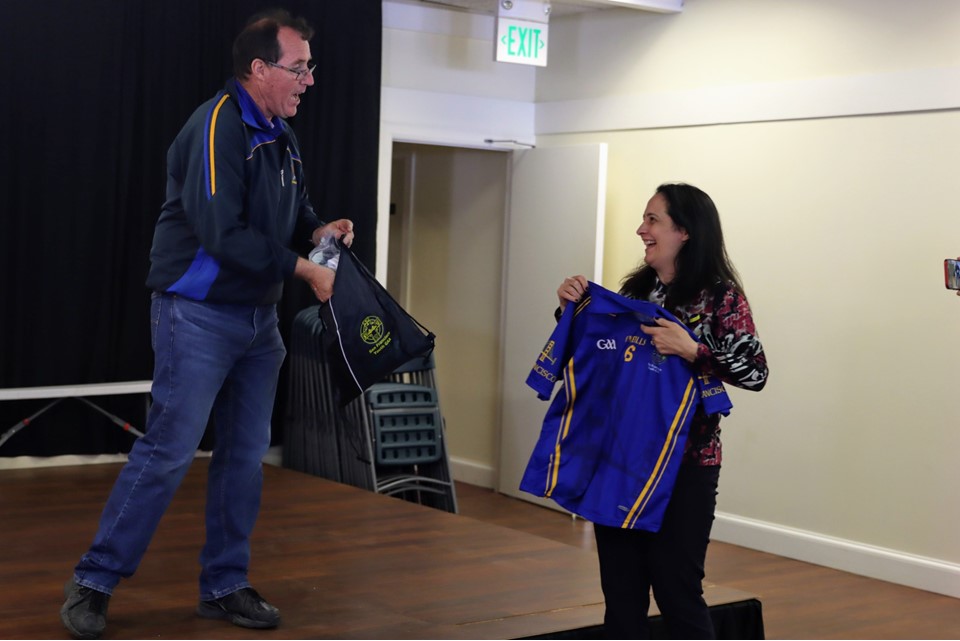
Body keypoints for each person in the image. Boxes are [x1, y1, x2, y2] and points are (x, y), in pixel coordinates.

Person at [60, 9, 354, 639]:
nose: (308, 79)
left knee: (245, 458)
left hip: (257, 324)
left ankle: (225, 585)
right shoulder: (217, 125)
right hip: (194, 317)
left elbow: (294, 206)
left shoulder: (280, 132)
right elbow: (222, 234)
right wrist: (305, 269)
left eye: (310, 68)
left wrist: (319, 231)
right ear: (259, 67)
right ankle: (94, 581)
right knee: (168, 451)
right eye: (298, 68)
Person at [556, 182, 768, 639]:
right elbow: (592, 359)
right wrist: (569, 312)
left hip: (686, 469)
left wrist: (693, 349)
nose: (641, 230)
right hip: (620, 463)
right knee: (622, 596)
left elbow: (755, 371)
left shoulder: (721, 297)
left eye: (652, 220)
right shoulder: (635, 292)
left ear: (685, 232)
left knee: (677, 593)